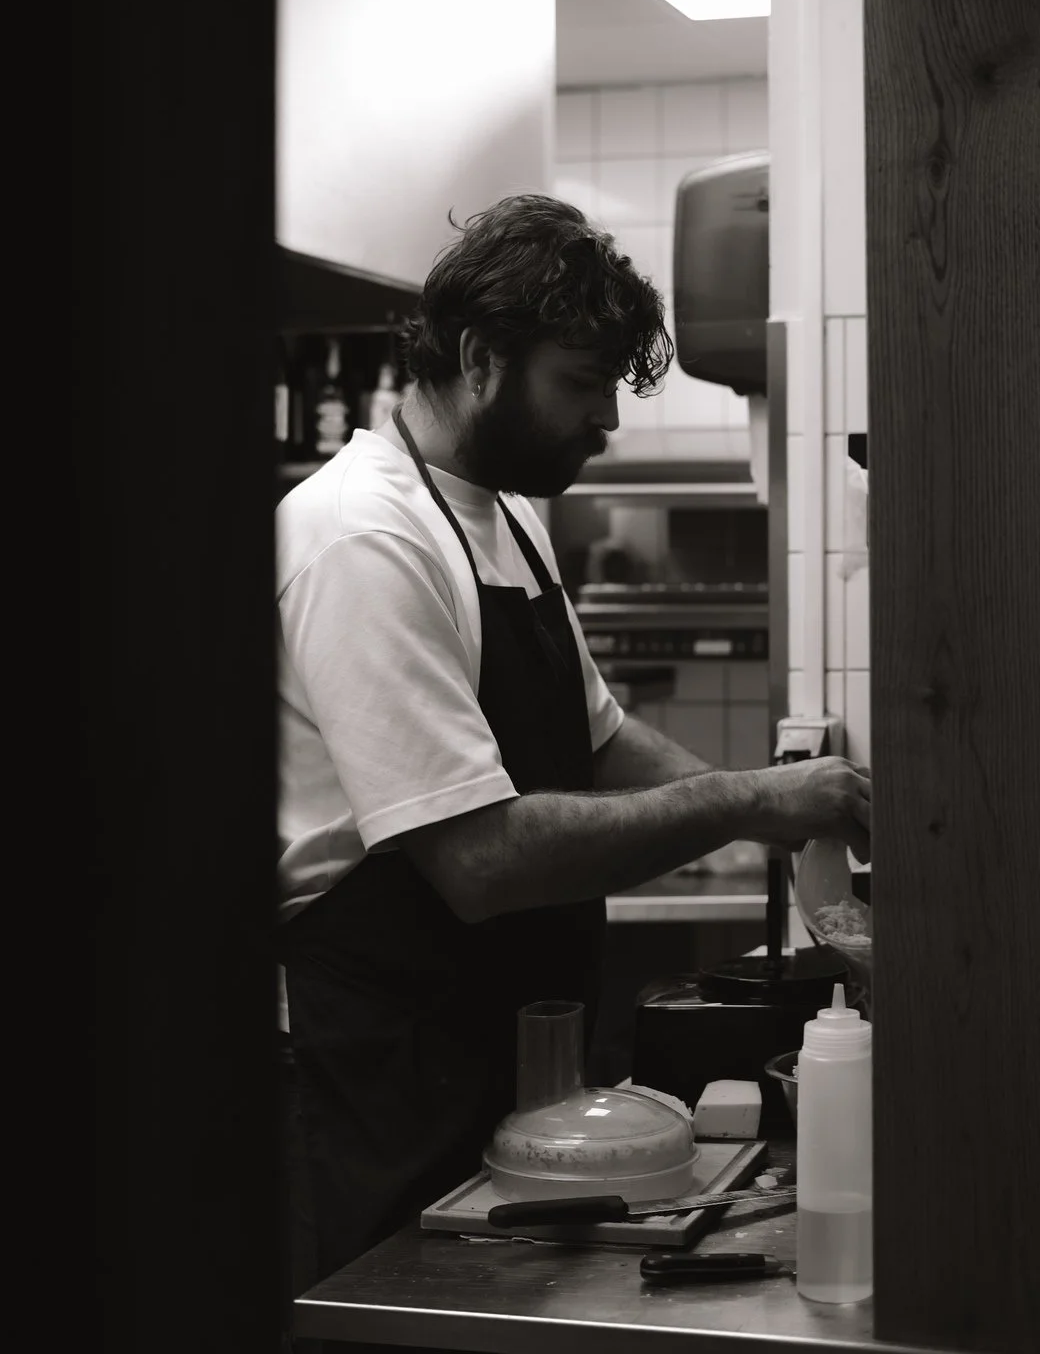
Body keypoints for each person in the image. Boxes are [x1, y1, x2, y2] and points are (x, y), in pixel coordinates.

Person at [275, 194, 870, 1296]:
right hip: (378, 1071)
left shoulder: (506, 514)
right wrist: (744, 805)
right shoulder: (359, 537)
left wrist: (778, 823)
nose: (605, 420)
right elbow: (479, 860)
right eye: (579, 384)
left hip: (507, 1060)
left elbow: (598, 743)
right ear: (479, 358)